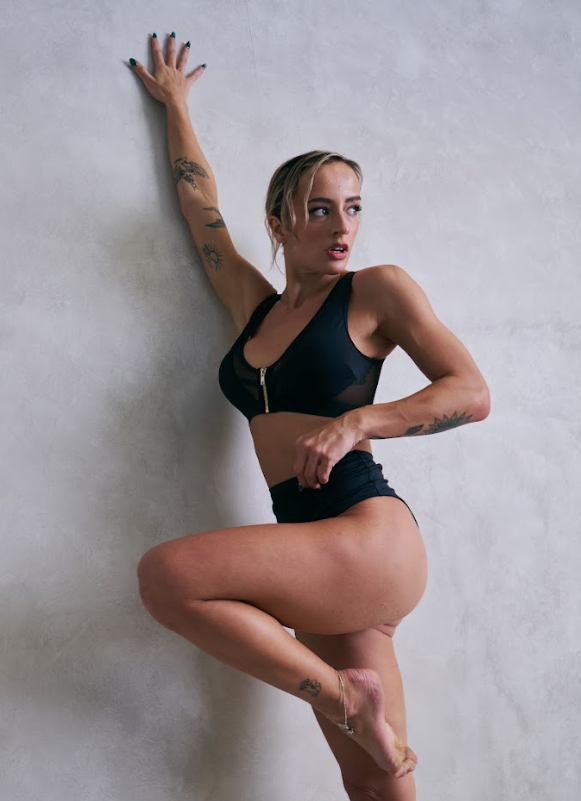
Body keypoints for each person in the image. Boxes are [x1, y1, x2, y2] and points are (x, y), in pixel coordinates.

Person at [130, 32, 490, 801]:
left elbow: (469, 392)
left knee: (167, 577)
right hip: (315, 555)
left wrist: (358, 422)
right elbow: (201, 211)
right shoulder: (254, 308)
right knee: (376, 784)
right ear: (280, 223)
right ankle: (354, 706)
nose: (340, 226)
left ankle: (344, 697)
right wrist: (176, 106)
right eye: (318, 210)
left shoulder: (374, 290)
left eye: (351, 208)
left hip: (365, 535)